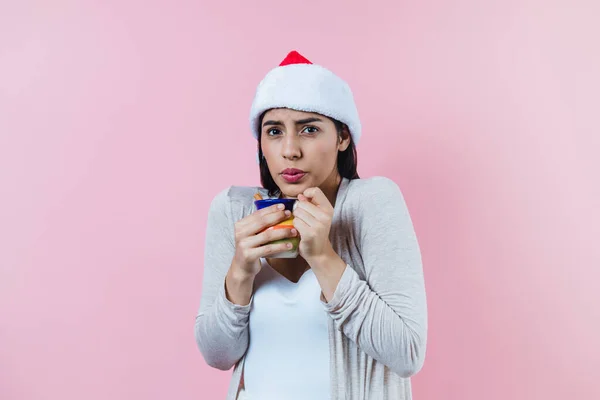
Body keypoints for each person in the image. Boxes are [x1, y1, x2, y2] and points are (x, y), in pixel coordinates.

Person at [195, 50, 428, 400]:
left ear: (342, 137)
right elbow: (218, 354)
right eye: (274, 131)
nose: (290, 150)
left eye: (309, 129)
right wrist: (240, 273)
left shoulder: (372, 202)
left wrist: (323, 257)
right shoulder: (234, 210)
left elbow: (407, 353)